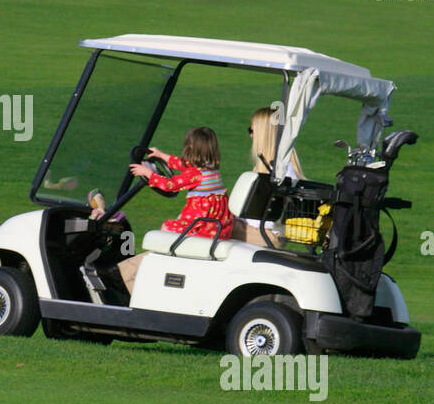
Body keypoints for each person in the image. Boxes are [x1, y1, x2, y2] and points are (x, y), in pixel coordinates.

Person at [106, 127, 234, 296]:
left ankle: (153, 269)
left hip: (200, 229)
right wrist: (160, 155)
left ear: (189, 148)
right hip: (214, 227)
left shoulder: (195, 175)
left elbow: (169, 185)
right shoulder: (209, 169)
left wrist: (147, 173)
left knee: (166, 228)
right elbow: (182, 164)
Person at [233, 106, 305, 247]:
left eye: (252, 131)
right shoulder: (276, 166)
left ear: (263, 134)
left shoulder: (278, 171)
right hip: (259, 231)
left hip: (263, 235)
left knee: (203, 224)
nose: (250, 135)